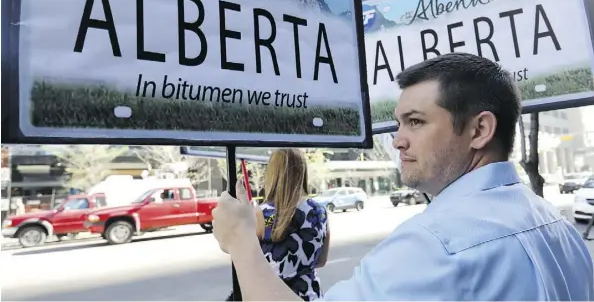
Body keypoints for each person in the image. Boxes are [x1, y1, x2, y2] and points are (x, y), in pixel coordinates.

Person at [212, 53, 593, 301]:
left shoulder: (435, 243)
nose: (396, 140)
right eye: (398, 123)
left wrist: (242, 241)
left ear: (479, 131)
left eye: (415, 122)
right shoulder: (558, 225)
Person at [224, 149, 330, 301]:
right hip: (310, 296)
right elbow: (321, 260)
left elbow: (243, 259)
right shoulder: (320, 212)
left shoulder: (262, 215)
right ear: (303, 172)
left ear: (273, 174)